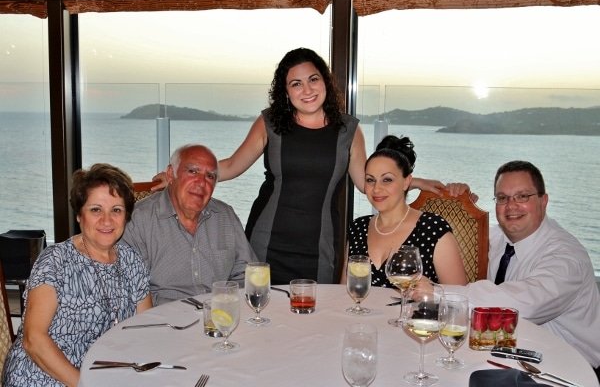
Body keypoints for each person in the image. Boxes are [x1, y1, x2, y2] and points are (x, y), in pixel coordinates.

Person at [153, 48, 454, 285]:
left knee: (313, 325)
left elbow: (367, 183)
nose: (306, 89)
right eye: (295, 83)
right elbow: (231, 166)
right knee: (261, 319)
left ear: (325, 81)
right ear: (286, 91)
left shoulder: (348, 130)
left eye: (313, 79)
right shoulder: (270, 123)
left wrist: (413, 181)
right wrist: (181, 175)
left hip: (321, 247)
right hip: (265, 242)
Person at [443, 160, 600, 381]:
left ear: (544, 201)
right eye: (502, 198)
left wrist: (439, 294)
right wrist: (455, 205)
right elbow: (440, 240)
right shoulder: (496, 237)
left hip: (568, 371)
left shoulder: (566, 257)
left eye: (522, 196)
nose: (511, 205)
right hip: (510, 356)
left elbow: (523, 305)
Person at [1, 164, 152, 387]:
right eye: (96, 210)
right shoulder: (55, 260)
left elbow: (146, 328)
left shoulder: (131, 260)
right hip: (42, 376)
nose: (107, 220)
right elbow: (34, 340)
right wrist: (84, 383)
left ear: (126, 216)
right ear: (79, 215)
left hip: (102, 375)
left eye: (116, 210)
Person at [122, 144, 257, 305]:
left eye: (210, 176)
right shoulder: (139, 219)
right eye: (192, 171)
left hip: (221, 315)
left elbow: (247, 273)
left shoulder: (225, 216)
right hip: (165, 320)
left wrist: (228, 304)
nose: (201, 182)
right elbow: (133, 288)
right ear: (171, 174)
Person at [341, 135, 468, 286]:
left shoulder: (432, 229)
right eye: (370, 180)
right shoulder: (358, 228)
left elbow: (459, 297)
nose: (376, 188)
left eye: (387, 179)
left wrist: (433, 291)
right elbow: (344, 293)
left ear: (407, 182)